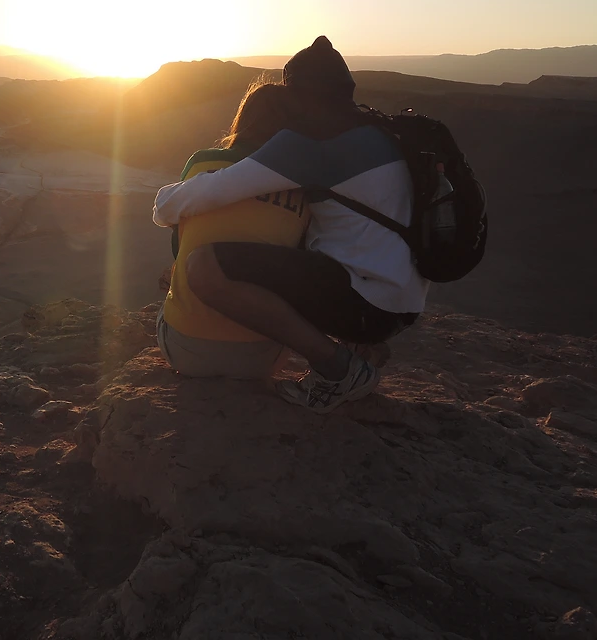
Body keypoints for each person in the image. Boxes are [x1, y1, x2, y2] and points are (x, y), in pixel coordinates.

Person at [152, 36, 426, 413]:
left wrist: (169, 195)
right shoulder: (376, 134)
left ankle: (339, 370)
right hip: (400, 303)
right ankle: (361, 348)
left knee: (205, 265)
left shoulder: (309, 146)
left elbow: (192, 198)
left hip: (366, 303)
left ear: (296, 95)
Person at [158, 81, 309, 379]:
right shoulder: (304, 183)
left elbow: (179, 242)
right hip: (263, 357)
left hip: (184, 351)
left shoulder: (203, 162)